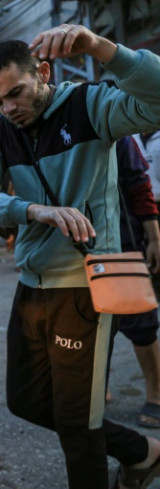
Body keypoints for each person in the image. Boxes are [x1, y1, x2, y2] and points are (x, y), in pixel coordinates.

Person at [0, 24, 160, 489]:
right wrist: (34, 210)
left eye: (17, 93)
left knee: (78, 423)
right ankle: (143, 451)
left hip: (88, 283)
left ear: (44, 72)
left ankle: (135, 458)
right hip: (32, 284)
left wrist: (98, 47)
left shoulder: (90, 105)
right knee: (25, 401)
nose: (9, 109)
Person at [110, 135, 160, 430]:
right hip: (76, 242)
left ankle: (156, 392)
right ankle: (96, 384)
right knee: (89, 321)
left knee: (138, 320)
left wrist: (153, 237)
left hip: (123, 235)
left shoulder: (117, 132)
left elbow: (139, 185)